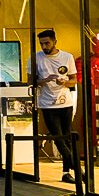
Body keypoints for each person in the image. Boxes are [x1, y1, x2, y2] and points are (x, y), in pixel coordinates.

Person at [33, 29, 78, 184]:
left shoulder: (67, 57)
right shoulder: (36, 58)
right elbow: (30, 81)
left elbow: (74, 80)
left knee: (66, 136)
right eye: (42, 44)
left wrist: (65, 82)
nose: (44, 46)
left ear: (55, 41)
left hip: (65, 102)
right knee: (58, 137)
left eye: (47, 43)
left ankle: (66, 172)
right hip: (47, 104)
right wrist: (45, 80)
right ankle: (77, 168)